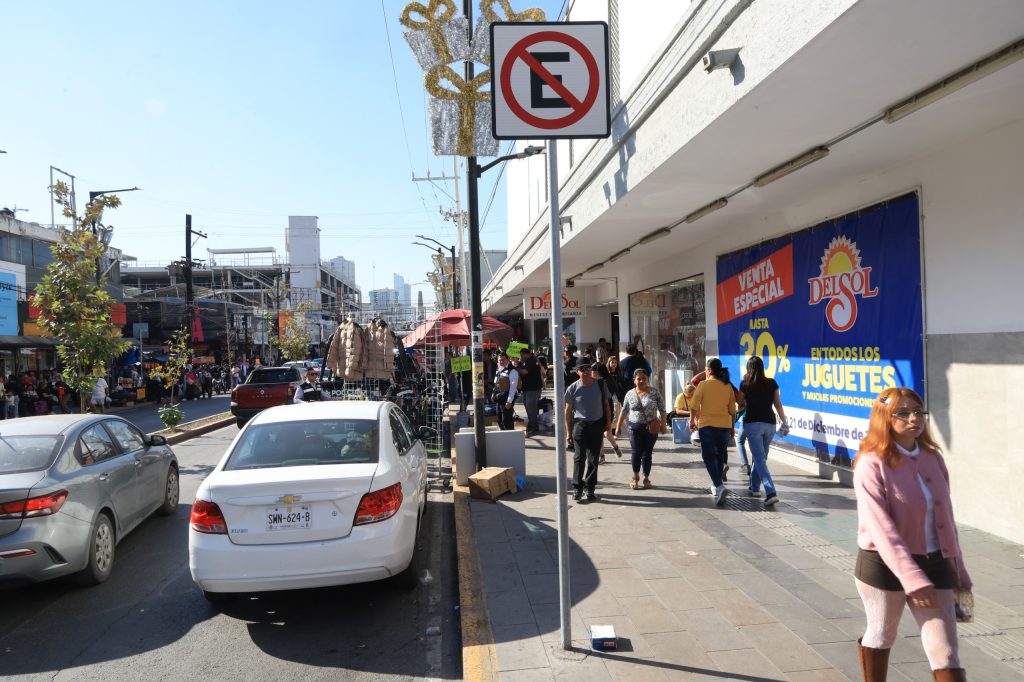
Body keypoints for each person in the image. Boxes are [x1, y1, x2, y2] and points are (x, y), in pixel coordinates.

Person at [852, 387, 970, 682]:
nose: (914, 418)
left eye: (918, 411)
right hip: (882, 565)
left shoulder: (932, 457)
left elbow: (946, 520)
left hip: (934, 562)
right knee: (881, 635)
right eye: (902, 413)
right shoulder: (870, 462)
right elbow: (881, 529)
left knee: (946, 652)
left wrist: (958, 571)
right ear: (884, 417)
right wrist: (912, 578)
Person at [739, 356, 787, 507]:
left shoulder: (745, 384)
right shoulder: (772, 383)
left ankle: (771, 492)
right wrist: (784, 422)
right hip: (770, 424)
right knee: (761, 458)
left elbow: (739, 403)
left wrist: (745, 390)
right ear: (762, 367)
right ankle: (754, 487)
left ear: (749, 368)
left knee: (759, 459)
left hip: (752, 424)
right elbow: (778, 404)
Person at [688, 358, 736, 506]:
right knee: (719, 455)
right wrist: (732, 427)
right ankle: (717, 485)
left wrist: (691, 421)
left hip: (707, 425)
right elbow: (732, 410)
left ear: (708, 370)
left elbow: (694, 406)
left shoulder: (703, 384)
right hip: (724, 426)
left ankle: (719, 486)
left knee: (707, 456)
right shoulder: (728, 386)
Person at [564, 362, 610, 502]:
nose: (586, 371)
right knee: (579, 457)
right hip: (580, 425)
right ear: (577, 372)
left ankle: (590, 488)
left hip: (597, 425)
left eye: (588, 368)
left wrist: (608, 423)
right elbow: (567, 411)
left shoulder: (600, 384)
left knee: (593, 458)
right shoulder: (572, 388)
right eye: (582, 369)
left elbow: (606, 405)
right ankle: (577, 488)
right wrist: (568, 432)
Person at [615, 368, 666, 490]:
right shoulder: (630, 394)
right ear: (634, 380)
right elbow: (624, 411)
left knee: (647, 453)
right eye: (639, 379)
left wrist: (663, 425)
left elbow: (662, 409)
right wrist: (618, 427)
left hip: (651, 428)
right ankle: (635, 476)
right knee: (636, 452)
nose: (642, 381)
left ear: (647, 379)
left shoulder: (654, 392)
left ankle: (646, 477)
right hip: (634, 428)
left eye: (644, 378)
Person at [592, 361, 623, 460]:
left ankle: (602, 455)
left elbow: (609, 395)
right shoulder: (605, 379)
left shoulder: (604, 381)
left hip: (606, 409)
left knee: (603, 433)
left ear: (598, 372)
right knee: (605, 433)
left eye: (593, 371)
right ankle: (614, 448)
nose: (591, 373)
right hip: (603, 408)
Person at [517, 347, 543, 436]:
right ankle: (534, 424)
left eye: (522, 355)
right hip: (527, 388)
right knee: (528, 407)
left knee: (531, 407)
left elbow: (525, 372)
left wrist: (518, 370)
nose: (521, 357)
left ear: (526, 354)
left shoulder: (532, 360)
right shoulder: (525, 361)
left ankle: (532, 425)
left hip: (533, 388)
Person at [492, 351, 519, 430]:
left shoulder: (512, 371)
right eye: (499, 360)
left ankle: (510, 436)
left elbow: (513, 387)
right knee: (499, 419)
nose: (501, 362)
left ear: (508, 359)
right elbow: (496, 383)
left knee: (506, 420)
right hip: (500, 397)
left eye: (503, 360)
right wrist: (493, 394)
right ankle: (504, 434)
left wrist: (509, 401)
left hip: (507, 398)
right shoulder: (499, 369)